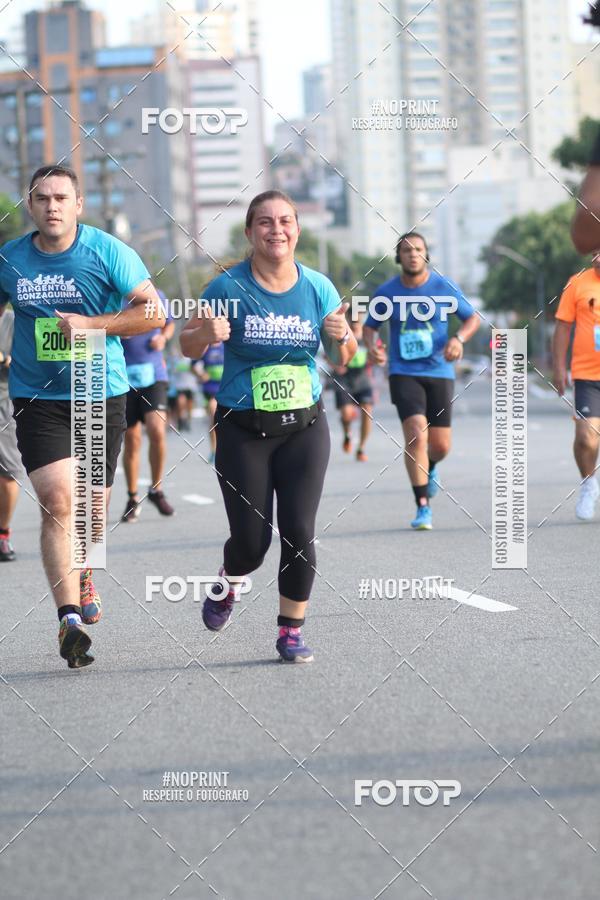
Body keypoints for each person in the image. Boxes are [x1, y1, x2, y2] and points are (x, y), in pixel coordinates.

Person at [180, 189, 357, 663]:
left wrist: (343, 339)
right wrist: (205, 333)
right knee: (252, 544)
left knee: (299, 531)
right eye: (264, 222)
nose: (275, 230)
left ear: (297, 230)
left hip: (304, 426)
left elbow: (345, 356)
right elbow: (186, 346)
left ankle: (290, 631)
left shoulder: (318, 287)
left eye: (284, 221)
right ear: (250, 232)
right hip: (242, 429)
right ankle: (228, 581)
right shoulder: (226, 288)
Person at [0, 164, 164, 668]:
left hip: (100, 391)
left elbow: (153, 312)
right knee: (56, 502)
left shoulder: (107, 251)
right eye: (42, 198)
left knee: (92, 511)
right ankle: (68, 617)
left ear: (78, 205)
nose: (52, 206)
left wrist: (91, 324)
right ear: (30, 204)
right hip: (36, 396)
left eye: (61, 198)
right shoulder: (10, 259)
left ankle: (86, 568)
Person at [363, 232, 480, 530]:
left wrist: (458, 338)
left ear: (426, 255)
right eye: (406, 250)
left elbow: (472, 318)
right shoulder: (386, 293)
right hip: (403, 373)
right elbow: (369, 329)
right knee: (416, 434)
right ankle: (422, 507)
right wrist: (374, 349)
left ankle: (433, 466)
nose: (413, 254)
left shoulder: (443, 287)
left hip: (440, 372)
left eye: (418, 249)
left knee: (440, 446)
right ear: (398, 257)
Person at [553, 250, 600, 520]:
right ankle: (588, 484)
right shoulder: (577, 282)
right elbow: (562, 327)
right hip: (587, 375)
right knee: (586, 438)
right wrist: (560, 367)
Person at [120, 290, 175, 522]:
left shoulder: (158, 296)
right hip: (122, 376)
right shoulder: (115, 298)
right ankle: (133, 498)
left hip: (153, 374)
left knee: (157, 428)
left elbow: (169, 324)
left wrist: (163, 337)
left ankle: (156, 489)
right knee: (131, 440)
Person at [330, 315, 375, 461]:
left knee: (367, 411)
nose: (355, 324)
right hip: (343, 380)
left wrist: (378, 356)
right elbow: (328, 355)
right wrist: (336, 365)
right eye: (353, 321)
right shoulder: (342, 335)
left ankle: (361, 447)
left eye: (358, 321)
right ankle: (347, 434)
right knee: (347, 414)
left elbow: (378, 354)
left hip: (362, 380)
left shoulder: (368, 338)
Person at [0, 304, 24, 561]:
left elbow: (29, 359)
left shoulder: (14, 321)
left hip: (4, 404)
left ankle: (2, 533)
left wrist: (6, 359)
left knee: (9, 475)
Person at [193, 340, 224, 464]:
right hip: (210, 388)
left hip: (224, 387)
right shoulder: (205, 346)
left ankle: (225, 449)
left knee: (225, 421)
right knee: (213, 417)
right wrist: (200, 374)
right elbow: (193, 365)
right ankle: (214, 450)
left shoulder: (226, 346)